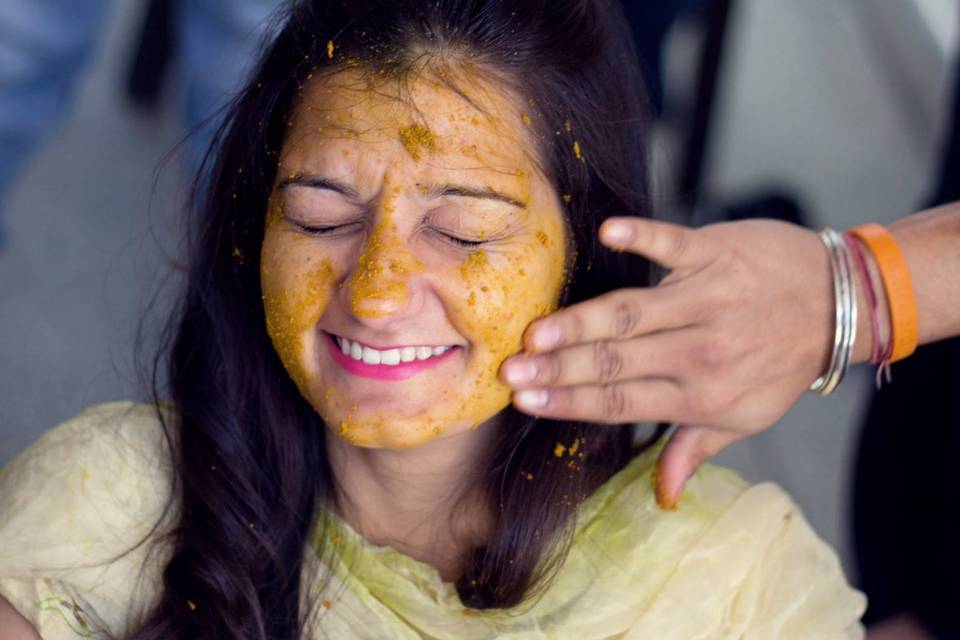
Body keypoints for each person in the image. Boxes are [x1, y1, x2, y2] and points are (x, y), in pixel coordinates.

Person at [0, 1, 865, 637]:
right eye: (320, 216)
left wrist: (871, 290)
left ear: (584, 259)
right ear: (253, 227)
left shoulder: (739, 584)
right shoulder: (102, 508)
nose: (375, 294)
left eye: (464, 232)